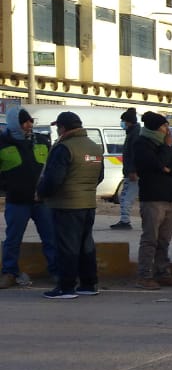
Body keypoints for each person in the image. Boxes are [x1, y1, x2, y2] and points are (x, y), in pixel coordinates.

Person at [35, 112, 104, 299]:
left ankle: (66, 287)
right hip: (88, 204)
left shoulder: (64, 148)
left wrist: (41, 192)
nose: (57, 130)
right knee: (85, 245)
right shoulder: (95, 147)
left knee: (67, 247)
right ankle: (89, 284)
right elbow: (100, 177)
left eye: (58, 127)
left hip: (66, 205)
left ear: (63, 128)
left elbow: (53, 178)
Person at [0, 106, 57, 289]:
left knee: (50, 237)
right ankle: (10, 272)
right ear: (15, 123)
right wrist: (8, 187)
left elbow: (50, 169)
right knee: (13, 239)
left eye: (30, 121)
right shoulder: (2, 143)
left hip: (42, 201)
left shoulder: (41, 140)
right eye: (24, 121)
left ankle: (56, 271)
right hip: (17, 201)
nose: (28, 125)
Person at [132, 112, 172, 290]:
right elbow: (156, 164)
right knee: (150, 239)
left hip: (171, 198)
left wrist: (168, 169)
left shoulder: (165, 145)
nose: (168, 130)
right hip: (153, 199)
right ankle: (144, 276)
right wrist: (166, 152)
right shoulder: (143, 144)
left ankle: (163, 273)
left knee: (164, 240)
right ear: (156, 128)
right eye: (165, 126)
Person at [111, 108, 139, 230]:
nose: (122, 123)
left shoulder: (134, 135)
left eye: (123, 121)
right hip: (132, 171)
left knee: (125, 196)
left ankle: (125, 220)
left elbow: (134, 154)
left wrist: (132, 170)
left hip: (133, 172)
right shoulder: (133, 133)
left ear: (128, 122)